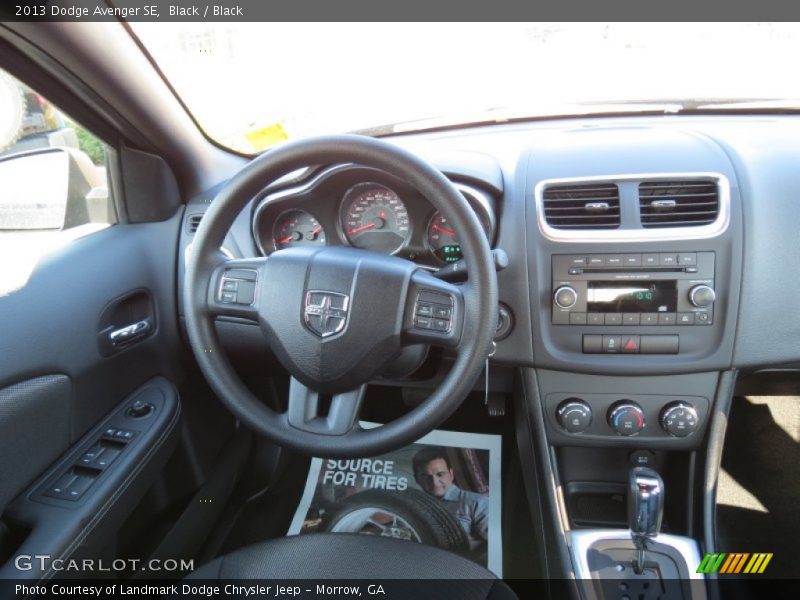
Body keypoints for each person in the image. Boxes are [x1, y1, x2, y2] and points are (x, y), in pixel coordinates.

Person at [412, 446, 489, 557]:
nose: (435, 482)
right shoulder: (415, 506)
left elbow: (493, 548)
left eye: (440, 474)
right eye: (425, 476)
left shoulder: (477, 502)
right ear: (417, 479)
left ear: (451, 474)